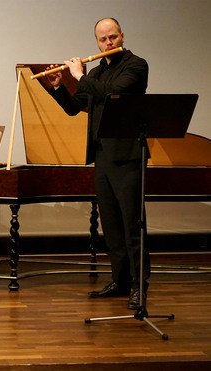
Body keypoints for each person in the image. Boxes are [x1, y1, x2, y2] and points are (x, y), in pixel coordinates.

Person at [46, 18, 150, 309]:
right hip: (102, 155)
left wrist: (79, 75)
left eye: (113, 37)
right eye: (103, 40)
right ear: (97, 42)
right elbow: (74, 107)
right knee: (112, 226)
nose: (108, 44)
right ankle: (120, 281)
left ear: (122, 36)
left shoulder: (136, 66)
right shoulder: (98, 70)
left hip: (127, 155)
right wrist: (58, 87)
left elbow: (112, 94)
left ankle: (139, 287)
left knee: (132, 225)